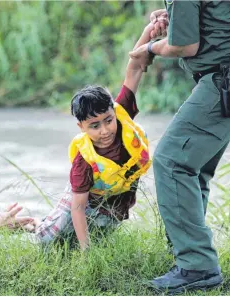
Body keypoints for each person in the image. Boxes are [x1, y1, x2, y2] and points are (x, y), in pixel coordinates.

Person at [129, 1, 230, 293]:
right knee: (192, 165)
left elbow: (185, 47)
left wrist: (149, 49)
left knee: (172, 160)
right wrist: (175, 20)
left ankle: (197, 266)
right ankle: (187, 256)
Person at [34, 22, 167, 250]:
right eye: (94, 126)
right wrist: (88, 254)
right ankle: (35, 225)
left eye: (108, 120)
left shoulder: (122, 115)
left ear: (114, 113)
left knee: (94, 241)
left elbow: (134, 67)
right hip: (82, 198)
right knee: (48, 239)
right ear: (81, 127)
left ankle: (81, 242)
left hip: (113, 202)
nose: (105, 131)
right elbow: (77, 208)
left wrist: (148, 32)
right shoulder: (83, 161)